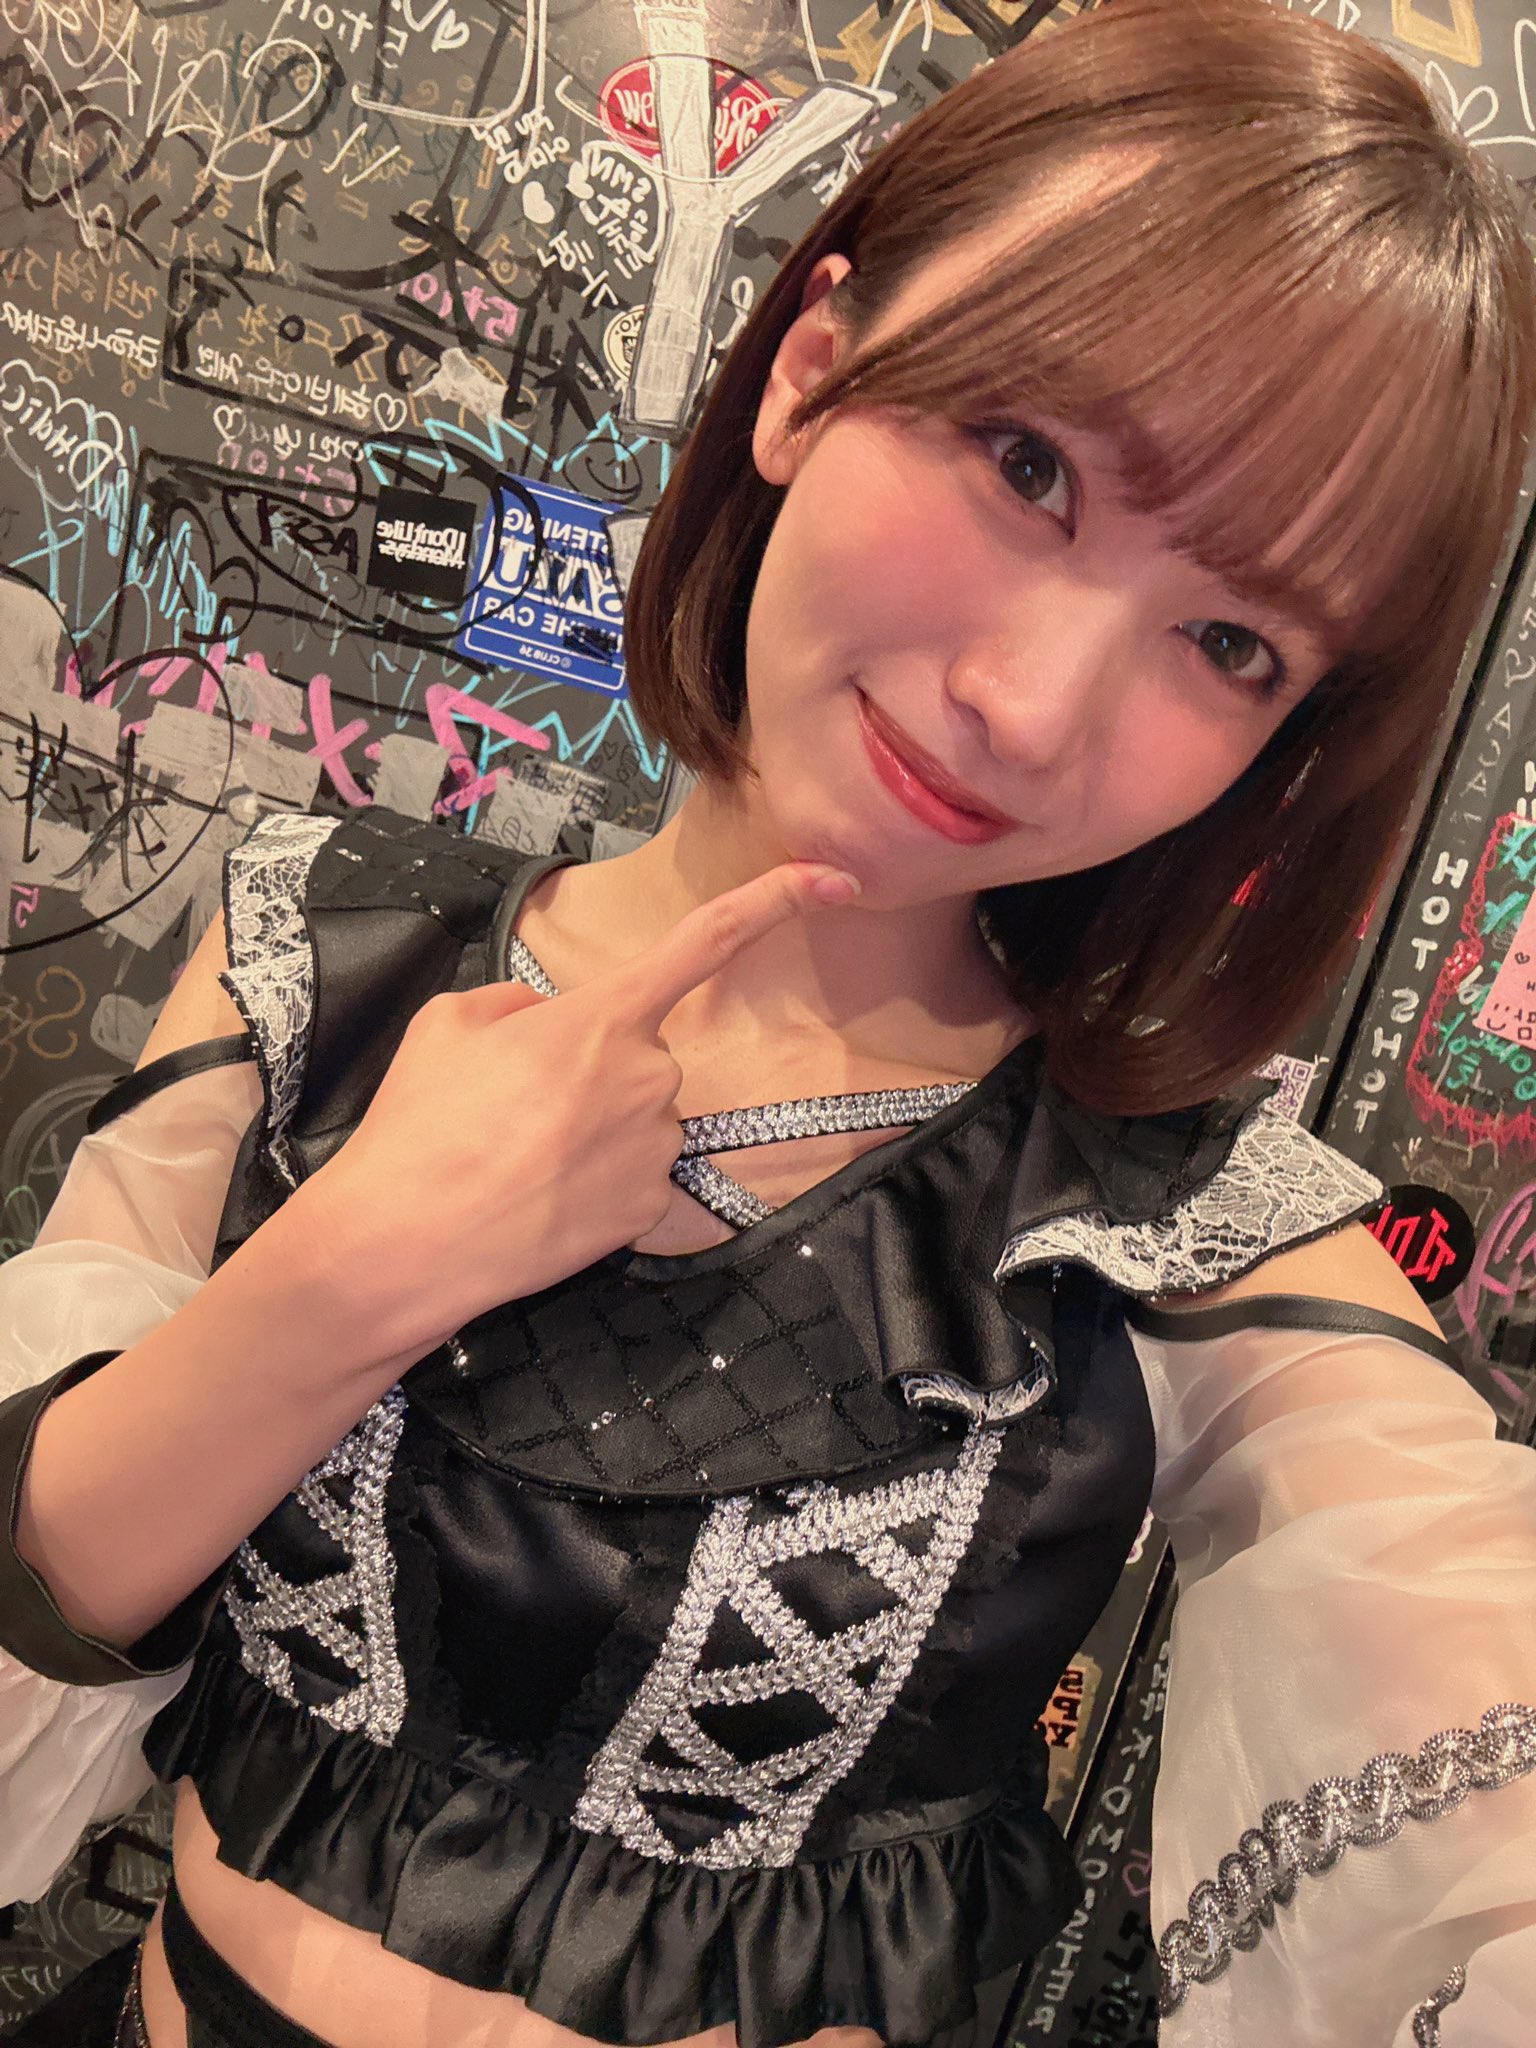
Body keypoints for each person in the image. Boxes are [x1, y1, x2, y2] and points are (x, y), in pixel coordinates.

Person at [2, 1, 1535, 2043]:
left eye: (1231, 641)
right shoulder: (323, 954)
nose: (1032, 707)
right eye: (1028, 466)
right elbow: (44, 1579)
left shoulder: (1181, 1236)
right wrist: (351, 1270)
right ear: (812, 370)